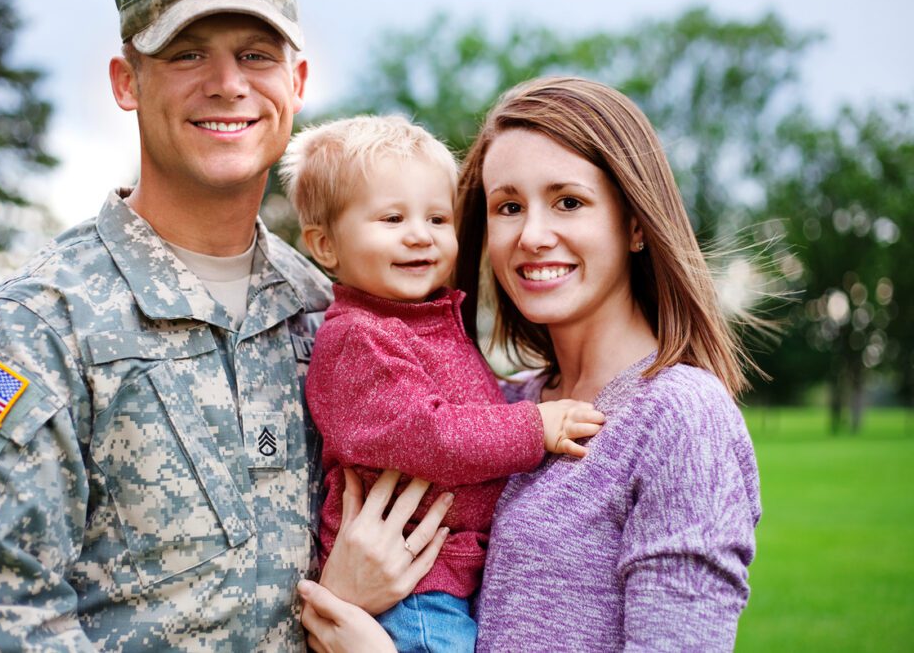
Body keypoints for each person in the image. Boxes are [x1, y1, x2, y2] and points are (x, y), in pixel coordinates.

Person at [0, 0, 407, 649]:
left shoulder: (326, 316)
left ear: (298, 81)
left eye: (257, 54)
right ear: (126, 80)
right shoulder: (33, 328)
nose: (228, 82)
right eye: (187, 52)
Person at [300, 76, 762, 652]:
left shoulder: (680, 416)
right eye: (509, 207)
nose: (533, 235)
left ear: (636, 224)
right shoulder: (508, 404)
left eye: (569, 201)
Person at [278, 115, 604, 652]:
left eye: (437, 217)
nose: (419, 235)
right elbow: (429, 436)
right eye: (391, 218)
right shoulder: (360, 337)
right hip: (413, 593)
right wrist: (534, 427)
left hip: (443, 578)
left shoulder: (423, 323)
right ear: (325, 245)